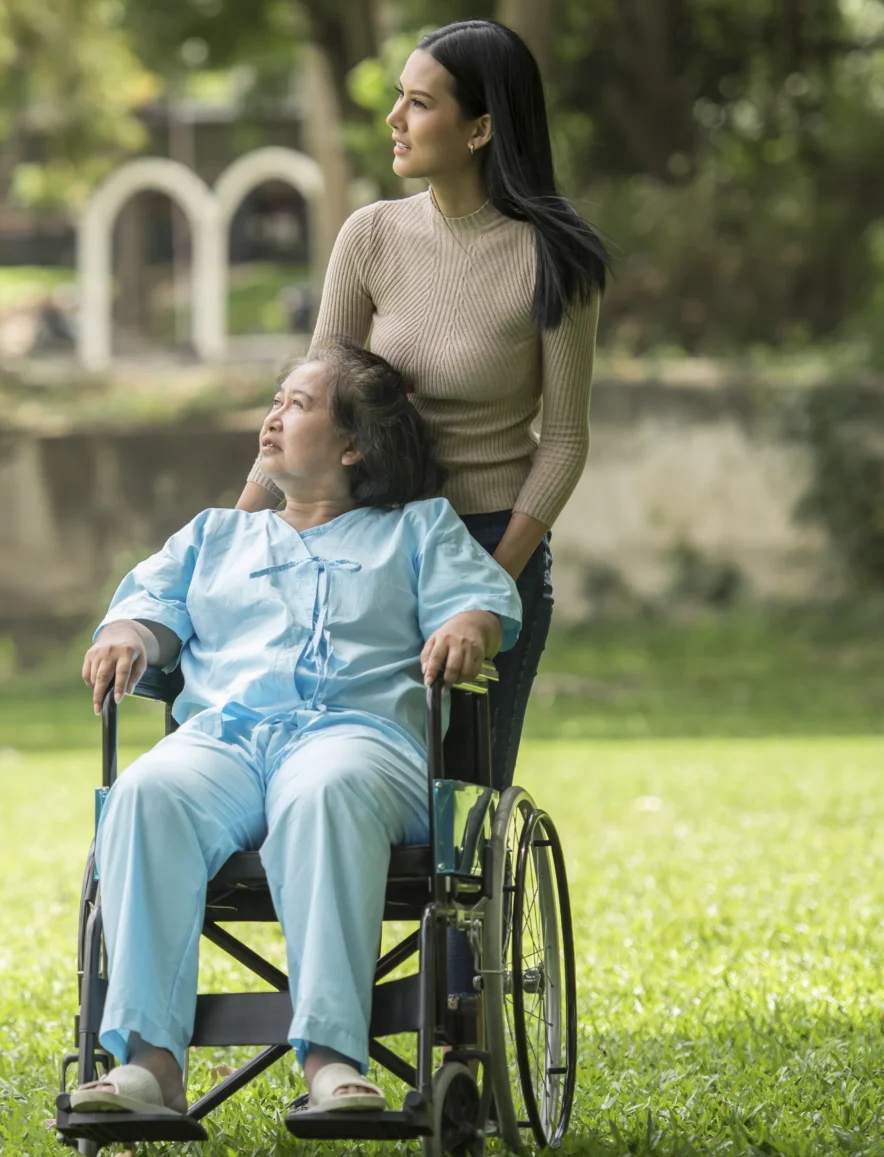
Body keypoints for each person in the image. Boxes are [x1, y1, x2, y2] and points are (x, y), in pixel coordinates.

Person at [69, 343, 521, 1117]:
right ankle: (148, 1064)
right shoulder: (217, 536)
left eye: (298, 404)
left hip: (360, 741)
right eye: (275, 400)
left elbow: (479, 602)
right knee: (145, 792)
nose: (273, 416)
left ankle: (334, 1060)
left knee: (324, 791)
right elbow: (148, 607)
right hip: (226, 741)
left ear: (353, 446)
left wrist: (468, 629)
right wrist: (129, 636)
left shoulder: (416, 530)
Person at [237, 19, 609, 795]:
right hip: (368, 544)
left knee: (457, 804)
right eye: (398, 99)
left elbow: (565, 442)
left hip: (485, 538)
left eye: (418, 102)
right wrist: (243, 528)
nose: (394, 120)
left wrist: (488, 584)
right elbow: (312, 401)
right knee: (338, 772)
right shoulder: (371, 235)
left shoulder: (555, 259)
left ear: (480, 129)